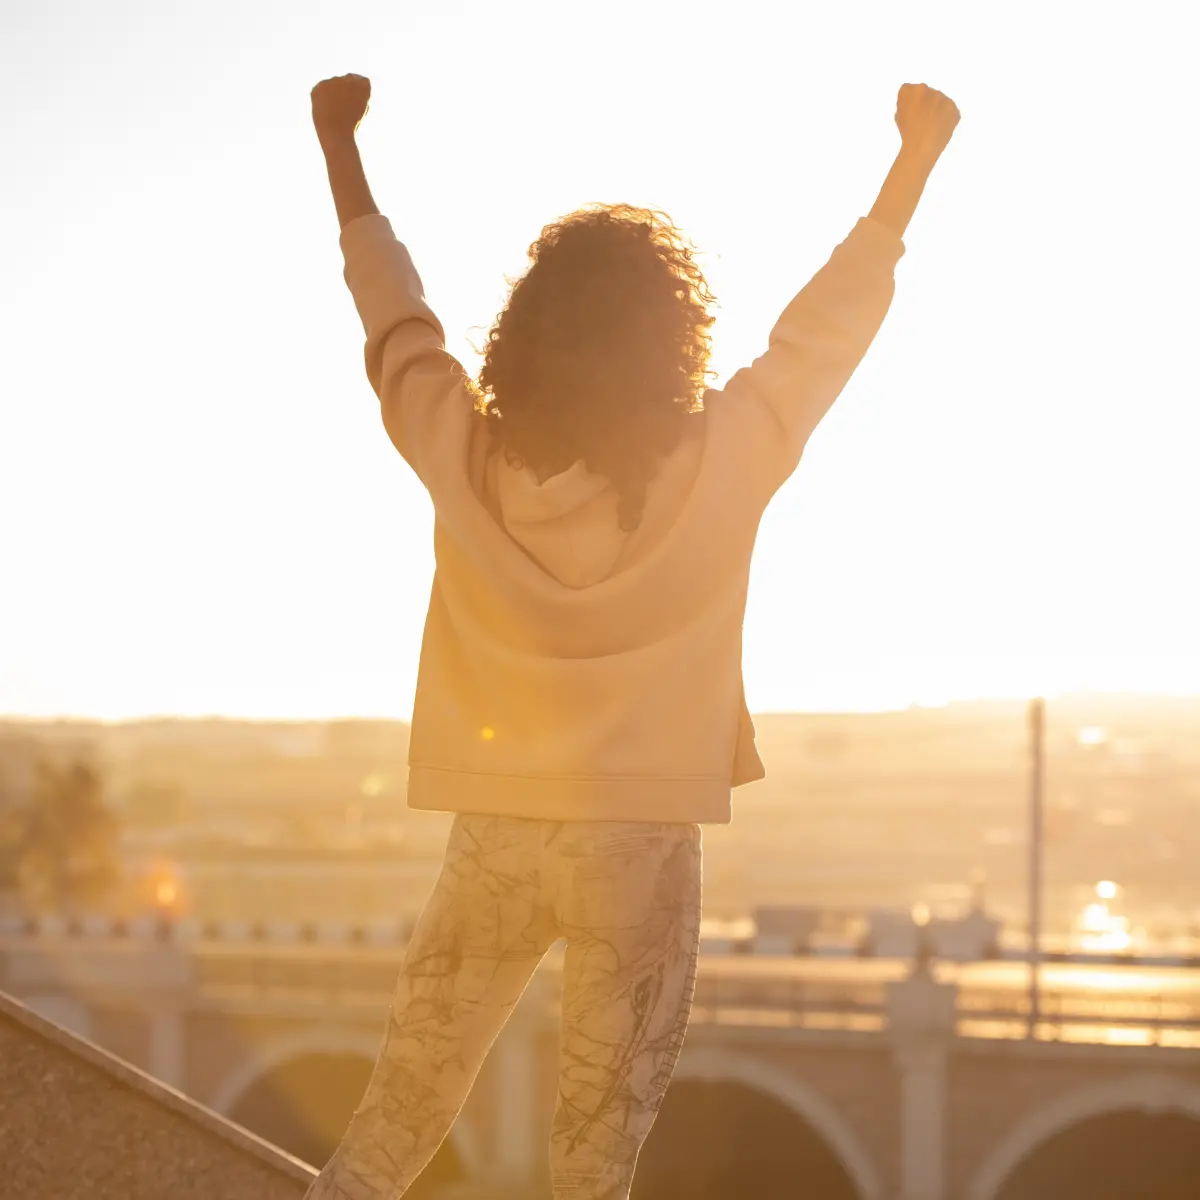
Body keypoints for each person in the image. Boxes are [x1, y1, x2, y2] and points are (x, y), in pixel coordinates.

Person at [305, 74, 959, 1200]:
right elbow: (826, 330)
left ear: (522, 335)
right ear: (675, 335)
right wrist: (914, 162)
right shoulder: (726, 455)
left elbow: (394, 322)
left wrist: (340, 149)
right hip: (642, 840)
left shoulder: (463, 455)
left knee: (398, 1114)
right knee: (593, 1158)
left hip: (496, 824)